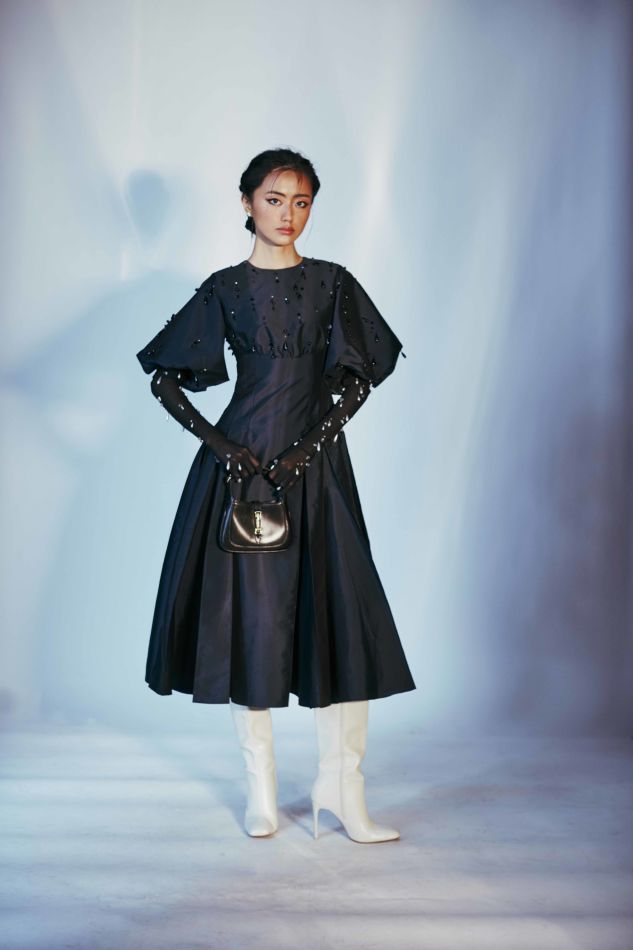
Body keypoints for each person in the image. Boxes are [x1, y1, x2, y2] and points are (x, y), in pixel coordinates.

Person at [136, 147, 416, 843]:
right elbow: (163, 378)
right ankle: (260, 791)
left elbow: (359, 378)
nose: (287, 213)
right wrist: (224, 448)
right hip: (243, 470)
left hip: (315, 468)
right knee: (251, 620)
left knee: (341, 616)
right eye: (273, 199)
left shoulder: (332, 283)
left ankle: (342, 789)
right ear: (246, 203)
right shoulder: (225, 288)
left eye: (301, 201)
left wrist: (307, 450)